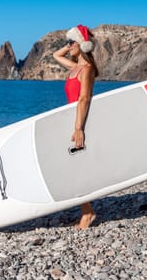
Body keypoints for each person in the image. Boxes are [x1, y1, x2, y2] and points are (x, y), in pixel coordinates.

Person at [53, 24, 99, 229]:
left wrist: (79, 128)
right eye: (68, 42)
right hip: (71, 121)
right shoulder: (75, 68)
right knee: (73, 167)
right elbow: (56, 55)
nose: (68, 45)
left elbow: (84, 99)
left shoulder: (87, 70)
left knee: (76, 168)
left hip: (80, 121)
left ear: (82, 44)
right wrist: (71, 44)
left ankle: (87, 213)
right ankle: (85, 211)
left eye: (72, 42)